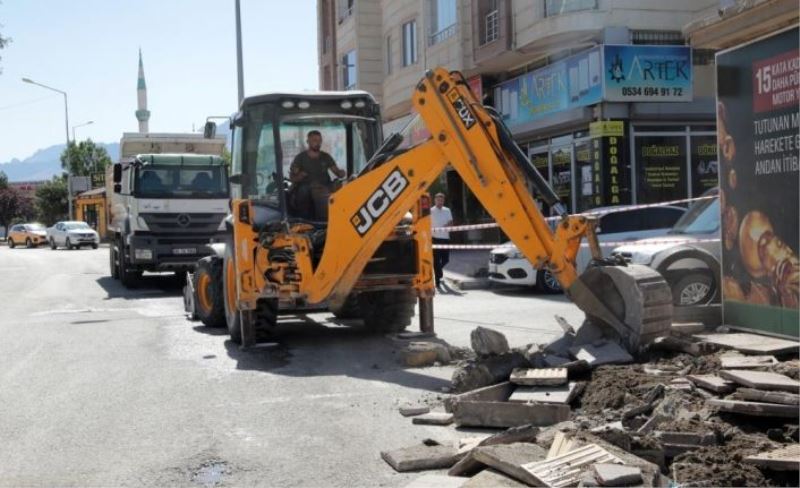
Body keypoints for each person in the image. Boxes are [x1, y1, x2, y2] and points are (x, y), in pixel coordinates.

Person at [288, 130, 345, 221]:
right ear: (308, 142)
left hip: (324, 187)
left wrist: (341, 173)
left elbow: (337, 172)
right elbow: (292, 178)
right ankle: (305, 220)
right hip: (307, 188)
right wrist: (300, 176)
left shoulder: (326, 157)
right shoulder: (300, 158)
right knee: (303, 191)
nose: (317, 143)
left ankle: (332, 220)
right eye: (314, 140)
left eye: (319, 141)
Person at [431, 192, 453, 291]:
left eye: (441, 200)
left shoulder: (447, 210)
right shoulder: (431, 211)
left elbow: (450, 222)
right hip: (435, 238)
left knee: (446, 259)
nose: (440, 201)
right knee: (436, 260)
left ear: (443, 201)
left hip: (445, 238)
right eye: (438, 200)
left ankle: (438, 272)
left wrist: (449, 225)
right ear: (435, 200)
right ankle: (437, 281)